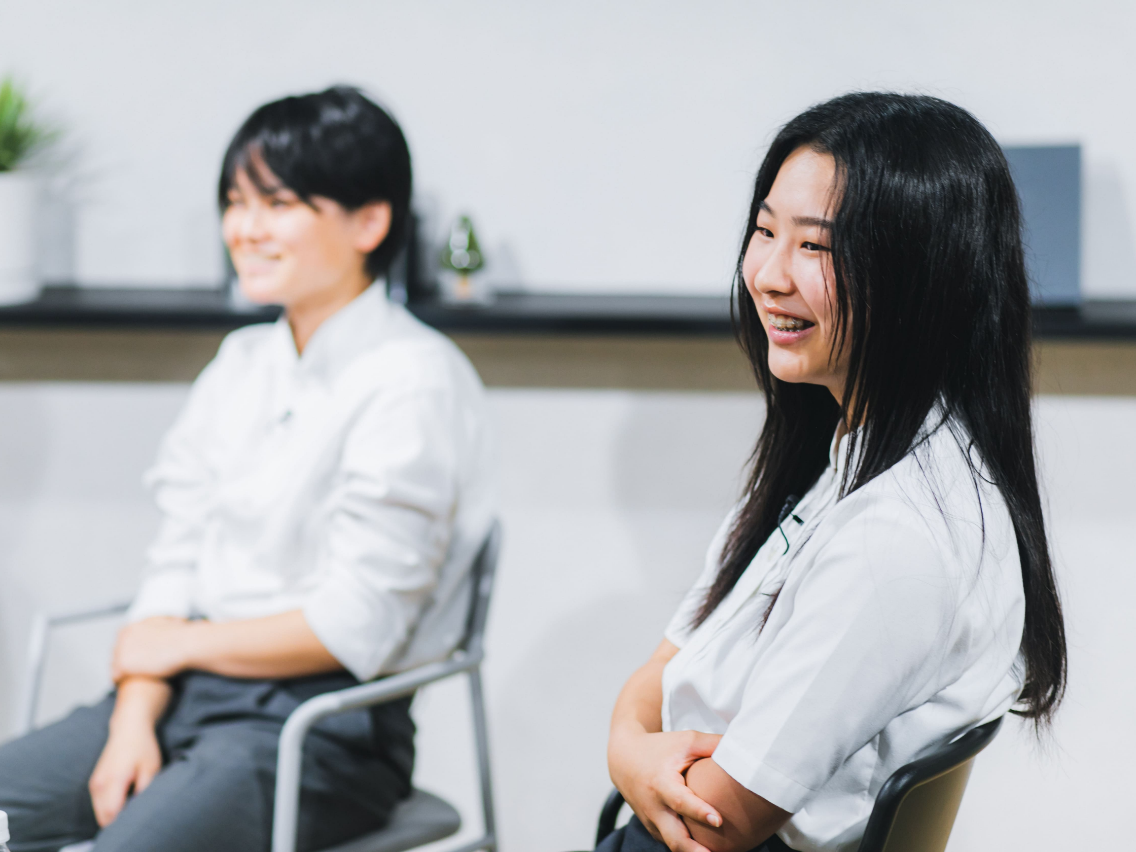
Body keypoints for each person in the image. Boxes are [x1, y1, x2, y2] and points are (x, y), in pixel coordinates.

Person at [0, 86, 495, 852]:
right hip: (179, 695)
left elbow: (352, 627)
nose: (245, 228)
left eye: (279, 203)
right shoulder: (240, 364)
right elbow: (175, 561)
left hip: (325, 727)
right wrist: (135, 711)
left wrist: (180, 646)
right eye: (236, 201)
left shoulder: (413, 379)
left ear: (370, 221)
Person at [601, 92, 1066, 852]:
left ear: (924, 276)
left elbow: (712, 826)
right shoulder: (843, 452)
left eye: (816, 247)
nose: (769, 275)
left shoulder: (896, 538)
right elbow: (668, 659)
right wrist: (631, 749)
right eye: (764, 231)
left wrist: (632, 757)